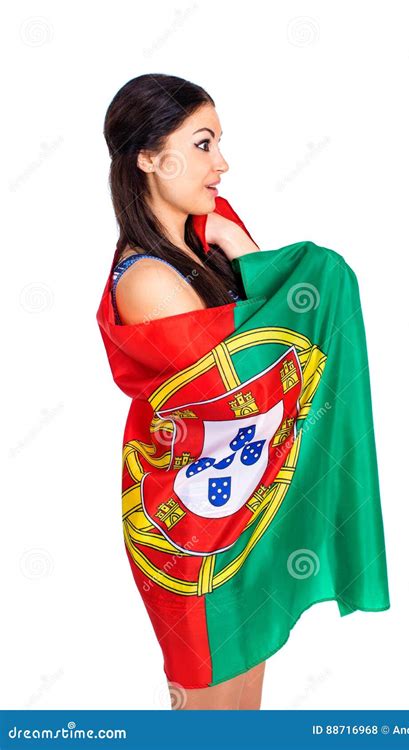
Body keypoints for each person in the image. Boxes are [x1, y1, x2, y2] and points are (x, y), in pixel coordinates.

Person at [103, 73, 265, 709]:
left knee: (243, 704)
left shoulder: (203, 255)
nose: (221, 163)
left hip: (238, 507)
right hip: (189, 530)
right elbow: (248, 382)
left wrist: (234, 244)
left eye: (219, 143)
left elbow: (286, 348)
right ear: (147, 158)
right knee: (211, 708)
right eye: (203, 144)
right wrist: (244, 252)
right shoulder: (147, 280)